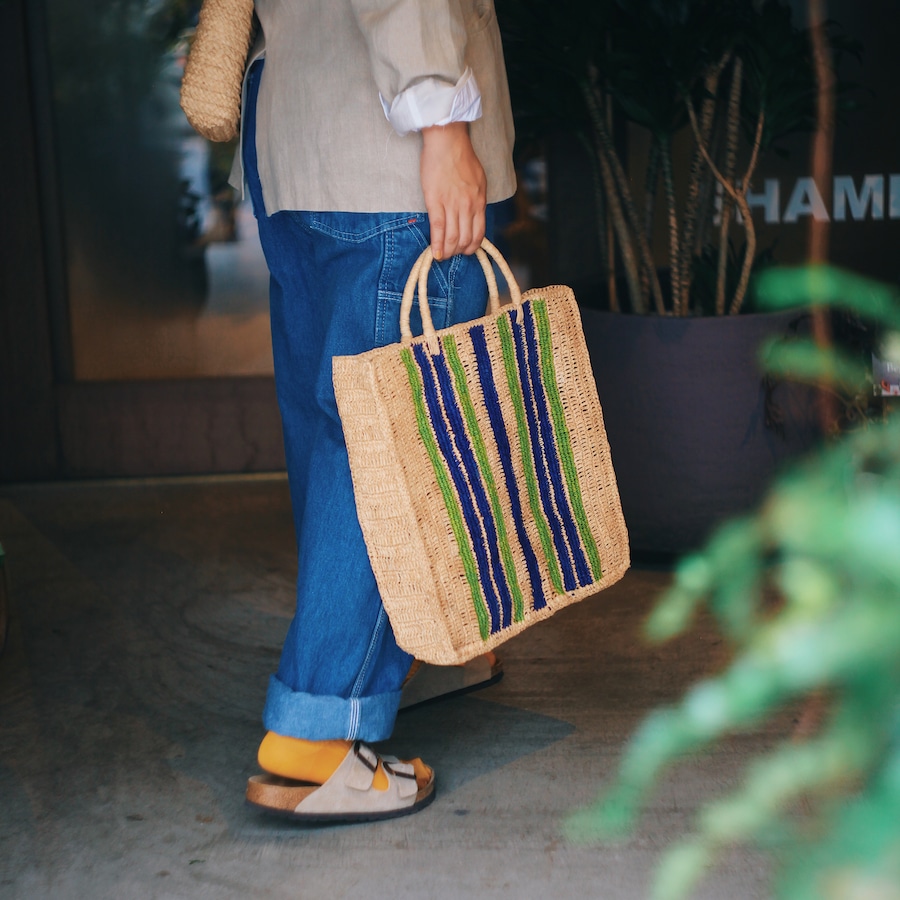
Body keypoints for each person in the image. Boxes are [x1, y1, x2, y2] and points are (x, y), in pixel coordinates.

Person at [231, 0, 516, 822]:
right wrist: (442, 123)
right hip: (388, 153)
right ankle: (318, 734)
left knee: (338, 436)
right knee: (392, 442)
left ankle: (379, 670)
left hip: (298, 147)